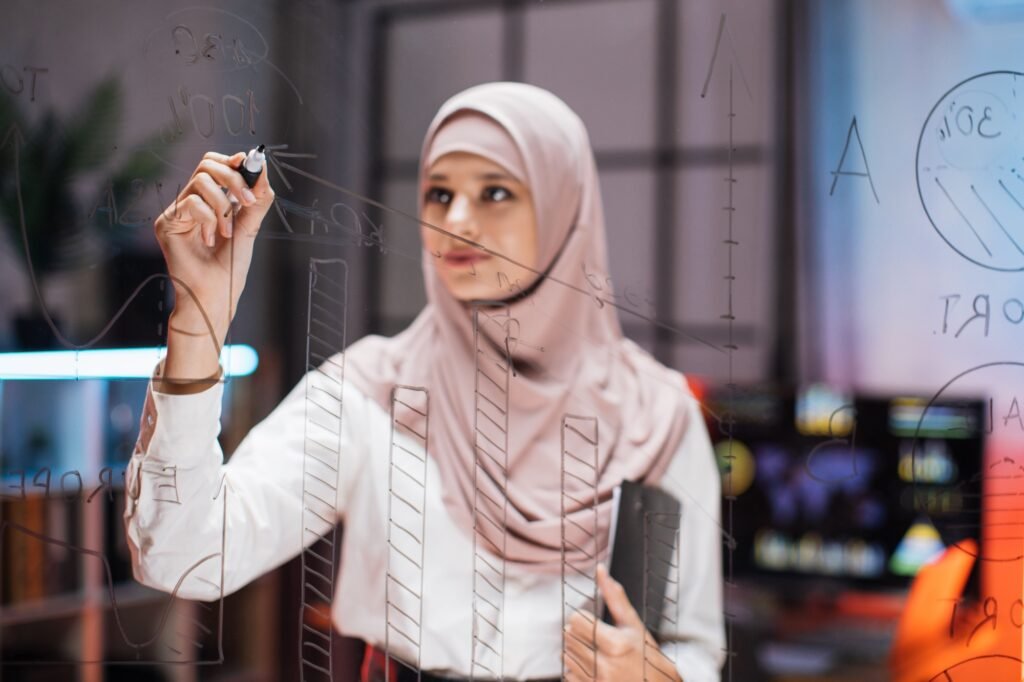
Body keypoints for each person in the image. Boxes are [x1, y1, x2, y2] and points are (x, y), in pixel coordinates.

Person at [125, 81, 724, 681]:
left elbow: (695, 647)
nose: (456, 220)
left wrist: (663, 676)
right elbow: (184, 556)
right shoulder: (371, 392)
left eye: (494, 192)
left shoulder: (656, 415)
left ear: (563, 205)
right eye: (439, 194)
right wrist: (198, 321)